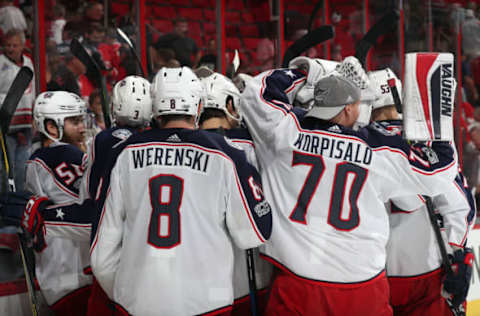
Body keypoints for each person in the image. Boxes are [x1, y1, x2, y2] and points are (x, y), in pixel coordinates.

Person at [240, 56, 457, 315]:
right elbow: (441, 170)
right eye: (358, 102)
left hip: (297, 285)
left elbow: (257, 91)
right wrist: (439, 122)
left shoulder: (285, 131)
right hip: (362, 291)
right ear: (347, 110)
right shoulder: (377, 149)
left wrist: (309, 71)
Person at [90, 67, 272, 315]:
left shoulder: (122, 153)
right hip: (207, 303)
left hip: (139, 302)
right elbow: (253, 234)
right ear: (198, 107)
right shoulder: (226, 154)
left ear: (154, 108)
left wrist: (126, 293)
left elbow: (102, 256)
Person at [368, 68, 475, 315]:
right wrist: (460, 253)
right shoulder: (427, 140)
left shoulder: (356, 140)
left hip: (371, 274)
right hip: (426, 270)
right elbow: (460, 204)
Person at [196, 69, 272, 315]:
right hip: (249, 270)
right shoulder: (251, 143)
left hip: (199, 271)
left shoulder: (183, 145)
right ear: (229, 103)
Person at [24, 91, 91, 316]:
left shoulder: (36, 161)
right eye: (75, 121)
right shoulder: (56, 158)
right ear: (52, 127)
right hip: (76, 277)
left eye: (81, 120)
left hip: (55, 281)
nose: (82, 127)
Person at [0, 29, 35, 192]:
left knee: (23, 168)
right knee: (7, 170)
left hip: (26, 126)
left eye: (15, 45)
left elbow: (32, 91)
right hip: (5, 127)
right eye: (7, 45)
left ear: (23, 46)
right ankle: (6, 207)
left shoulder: (28, 62)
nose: (11, 49)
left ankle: (19, 206)